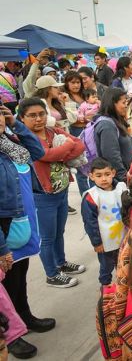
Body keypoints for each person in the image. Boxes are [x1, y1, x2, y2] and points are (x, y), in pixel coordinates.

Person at [0, 102, 56, 359]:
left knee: (19, 277)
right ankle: (10, 337)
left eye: (0, 116)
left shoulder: (11, 142)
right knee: (4, 288)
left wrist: (16, 124)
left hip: (23, 221)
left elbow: (36, 150)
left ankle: (25, 316)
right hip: (4, 228)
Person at [17, 98, 86, 287]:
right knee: (47, 237)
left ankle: (61, 263)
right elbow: (45, 155)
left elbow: (79, 145)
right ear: (22, 118)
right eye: (32, 115)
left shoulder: (53, 131)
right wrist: (64, 148)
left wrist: (59, 151)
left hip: (61, 191)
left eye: (41, 114)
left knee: (59, 232)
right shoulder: (23, 139)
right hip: (43, 196)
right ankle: (51, 274)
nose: (38, 119)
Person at [81, 158, 126, 286]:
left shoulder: (121, 189)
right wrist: (97, 243)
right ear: (91, 176)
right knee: (106, 267)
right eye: (99, 175)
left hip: (122, 238)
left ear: (113, 173)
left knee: (122, 265)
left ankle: (121, 289)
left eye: (107, 174)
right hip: (105, 243)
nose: (104, 179)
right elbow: (90, 222)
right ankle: (105, 290)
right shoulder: (91, 196)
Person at [95, 88, 132, 183]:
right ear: (113, 104)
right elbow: (111, 156)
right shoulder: (107, 125)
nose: (126, 106)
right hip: (116, 180)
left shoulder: (115, 121)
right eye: (123, 103)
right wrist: (124, 178)